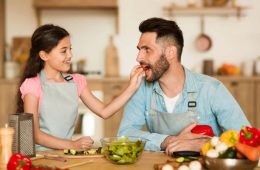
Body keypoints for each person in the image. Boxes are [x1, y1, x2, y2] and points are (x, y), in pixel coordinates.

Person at [118, 17, 250, 155]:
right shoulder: (142, 89)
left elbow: (245, 138)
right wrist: (168, 140)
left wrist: (205, 144)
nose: (138, 58)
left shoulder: (211, 89)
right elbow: (125, 134)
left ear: (170, 53)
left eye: (147, 50)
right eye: (139, 50)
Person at [16, 24, 144, 151]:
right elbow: (35, 135)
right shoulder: (32, 85)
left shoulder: (76, 81)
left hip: (65, 155)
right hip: (41, 157)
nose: (70, 55)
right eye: (63, 51)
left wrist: (131, 87)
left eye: (70, 49)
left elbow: (105, 112)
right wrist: (72, 145)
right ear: (44, 55)